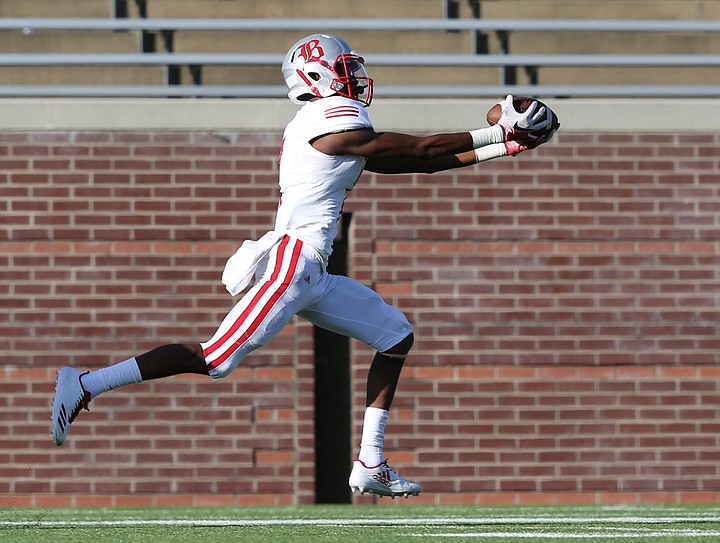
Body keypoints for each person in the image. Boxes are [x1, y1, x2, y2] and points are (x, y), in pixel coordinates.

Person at [50, 33, 559, 499]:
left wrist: (505, 145)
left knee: (396, 336)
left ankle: (370, 462)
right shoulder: (326, 117)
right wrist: (494, 129)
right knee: (217, 359)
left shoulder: (337, 123)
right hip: (294, 262)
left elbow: (420, 161)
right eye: (343, 67)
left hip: (313, 271)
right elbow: (421, 147)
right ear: (316, 76)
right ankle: (87, 383)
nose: (354, 77)